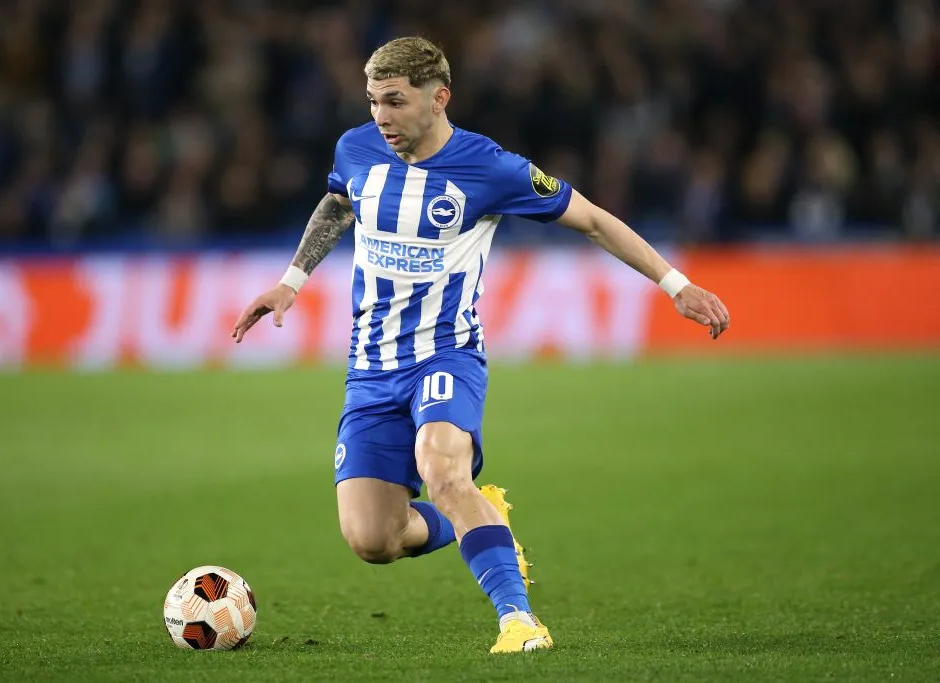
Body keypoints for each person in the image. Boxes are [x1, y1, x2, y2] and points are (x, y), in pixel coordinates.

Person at [232, 36, 730, 654]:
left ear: (439, 98)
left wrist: (674, 284)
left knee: (442, 467)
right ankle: (478, 509)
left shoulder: (491, 169)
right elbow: (338, 202)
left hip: (446, 355)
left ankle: (519, 621)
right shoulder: (356, 148)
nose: (380, 116)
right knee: (373, 540)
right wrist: (290, 282)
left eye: (394, 101)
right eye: (372, 102)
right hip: (370, 367)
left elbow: (595, 220)